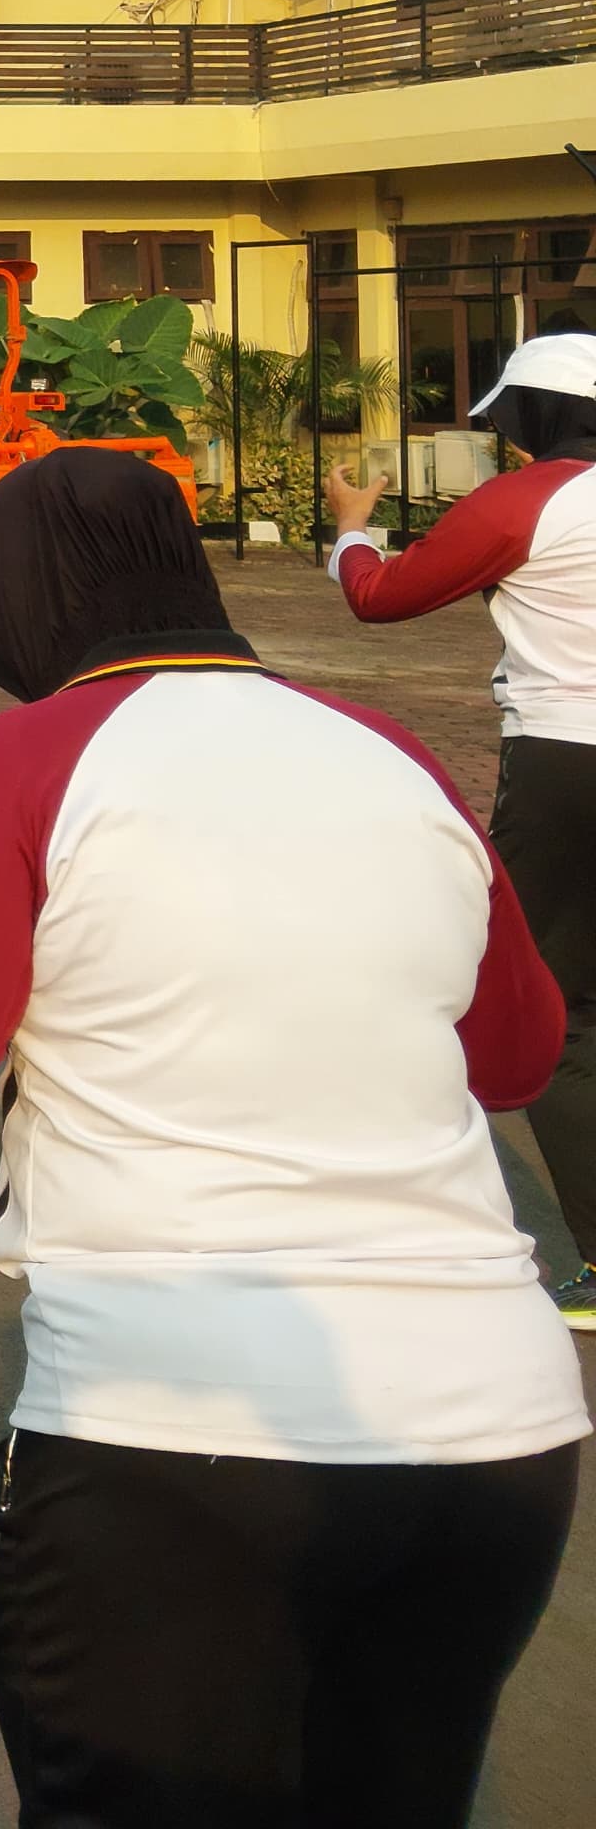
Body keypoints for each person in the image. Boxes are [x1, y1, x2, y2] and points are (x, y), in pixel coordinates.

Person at [0, 449, 580, 1828]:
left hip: (179, 1438)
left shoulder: (21, 759)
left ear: (11, 598)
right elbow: (513, 1053)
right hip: (494, 1435)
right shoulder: (386, 751)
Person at [324, 330, 596, 1328]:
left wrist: (351, 529)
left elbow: (380, 597)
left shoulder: (527, 501)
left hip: (568, 763)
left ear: (536, 417)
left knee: (545, 1003)